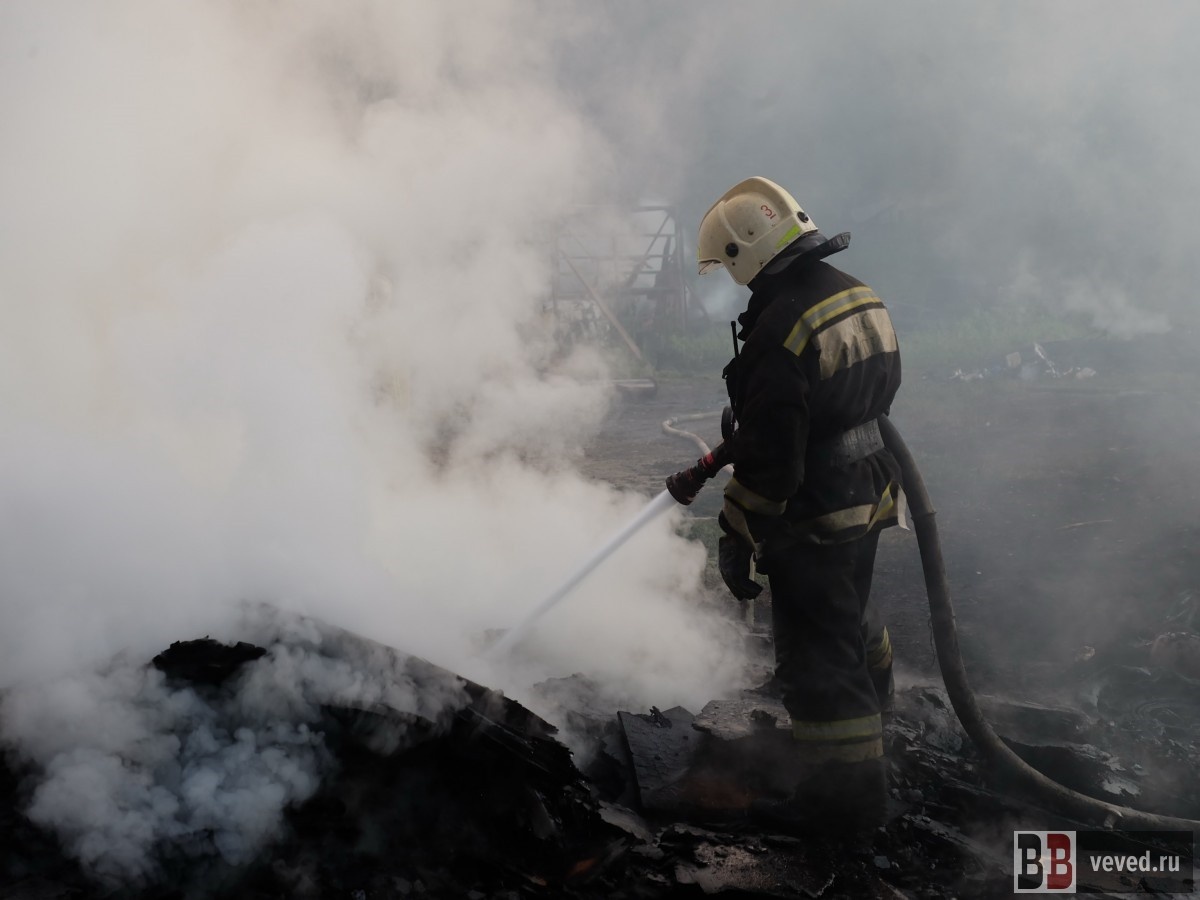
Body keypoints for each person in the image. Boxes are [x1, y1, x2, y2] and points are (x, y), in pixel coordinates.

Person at [696, 176, 903, 831]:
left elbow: (772, 459)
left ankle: (846, 799)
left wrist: (737, 530)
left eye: (728, 264)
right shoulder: (858, 293)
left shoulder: (781, 328)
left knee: (815, 654)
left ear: (744, 253)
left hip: (815, 508)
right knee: (847, 611)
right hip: (870, 489)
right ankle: (881, 711)